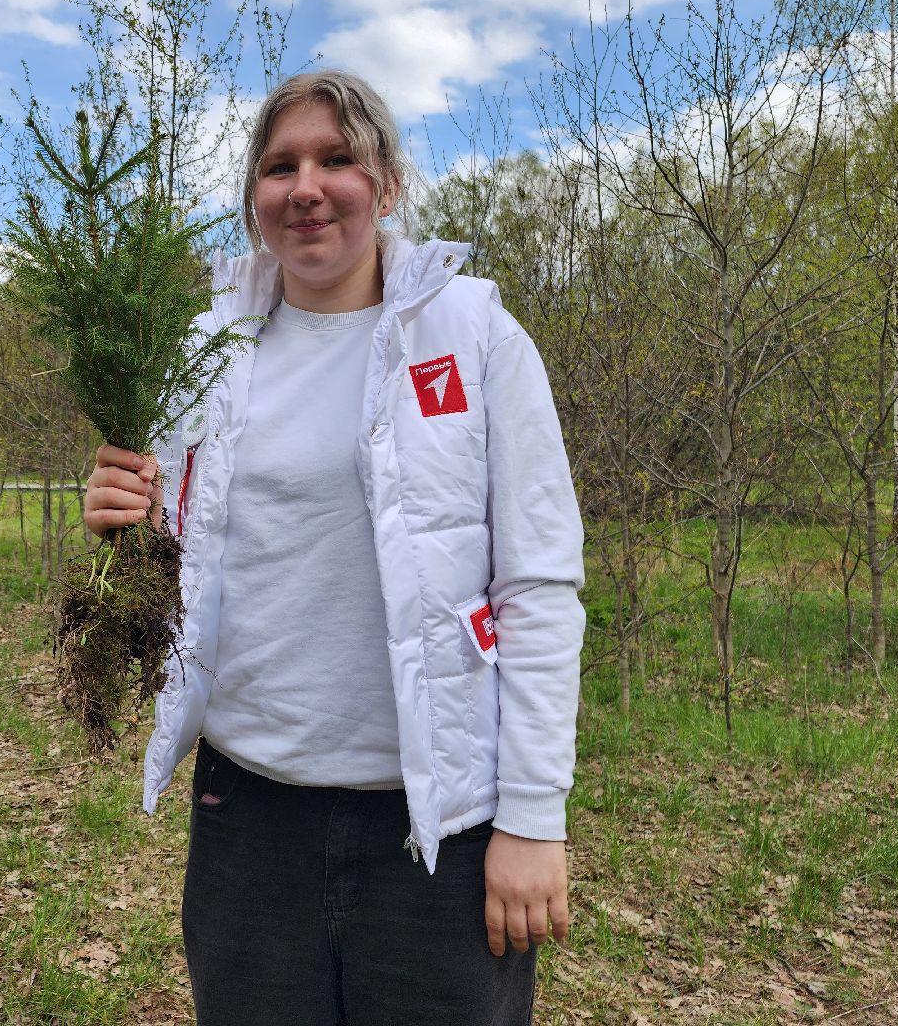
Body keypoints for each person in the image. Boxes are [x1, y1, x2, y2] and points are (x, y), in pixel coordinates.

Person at [82, 70, 584, 1025]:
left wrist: (532, 816)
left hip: (439, 829)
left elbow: (540, 585)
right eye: (279, 167)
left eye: (336, 159)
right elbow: (183, 538)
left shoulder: (476, 335)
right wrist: (125, 516)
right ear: (254, 201)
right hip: (249, 817)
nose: (305, 186)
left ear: (386, 185)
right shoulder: (206, 348)